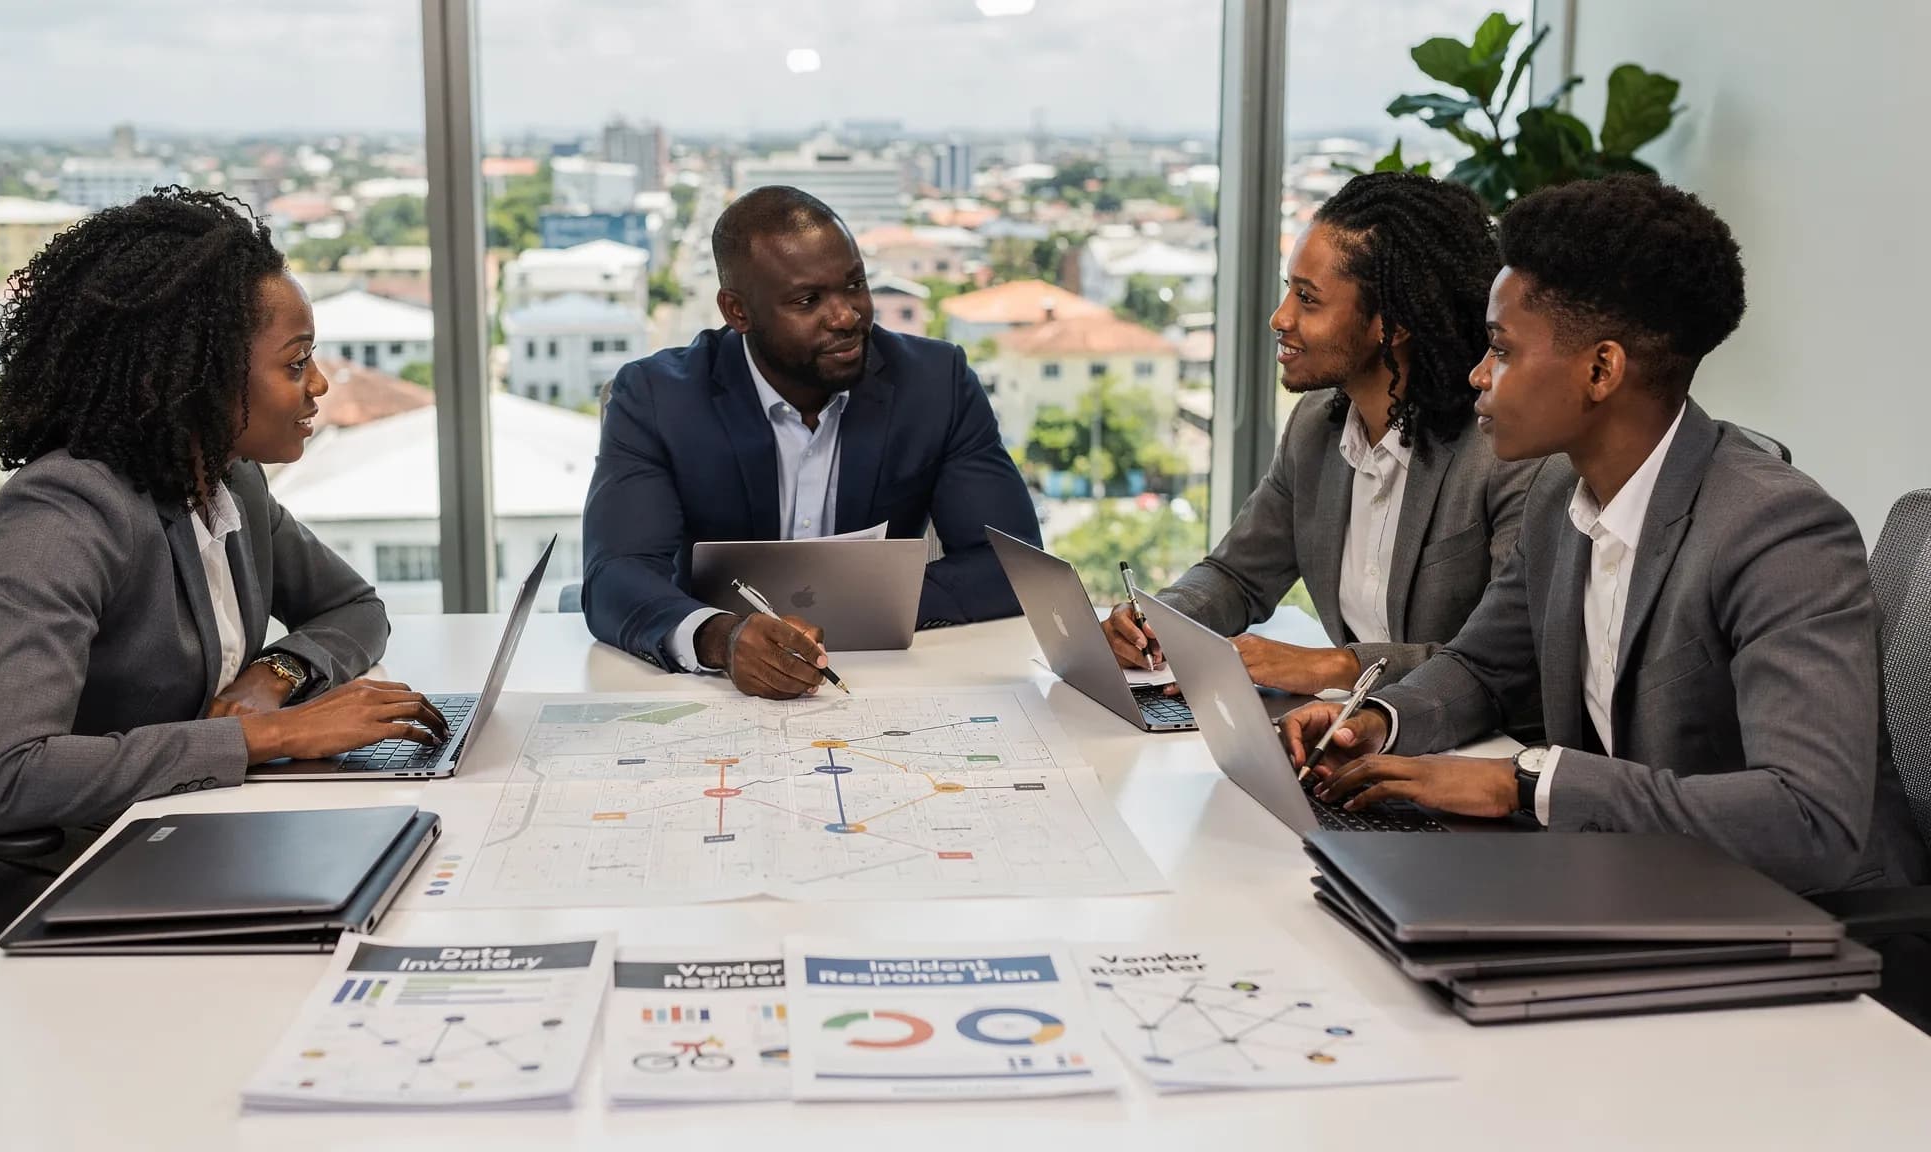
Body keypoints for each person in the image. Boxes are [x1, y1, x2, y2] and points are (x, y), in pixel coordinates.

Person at [0, 188, 449, 1022]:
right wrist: (271, 734)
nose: (320, 384)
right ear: (200, 375)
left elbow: (353, 608)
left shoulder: (225, 481)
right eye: (294, 364)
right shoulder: (63, 514)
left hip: (163, 855)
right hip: (23, 902)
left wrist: (278, 673)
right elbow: (8, 776)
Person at [1285, 174, 1929, 895]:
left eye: (1500, 350)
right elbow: (1485, 669)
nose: (1477, 374)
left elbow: (1808, 820)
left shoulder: (1781, 534)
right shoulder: (1562, 492)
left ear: (1601, 370)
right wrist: (1375, 722)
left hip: (1813, 927)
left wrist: (1525, 785)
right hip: (1637, 884)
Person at [581, 186, 1040, 698]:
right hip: (710, 693)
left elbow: (1011, 564)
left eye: (854, 285)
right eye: (808, 300)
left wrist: (848, 613)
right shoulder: (656, 397)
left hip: (885, 686)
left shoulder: (936, 383)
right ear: (737, 312)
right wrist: (722, 637)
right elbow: (615, 576)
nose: (846, 316)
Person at [1105, 172, 1548, 698]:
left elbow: (1504, 661)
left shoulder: (1505, 454)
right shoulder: (1317, 426)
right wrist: (1159, 620)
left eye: (1308, 300)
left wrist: (1334, 667)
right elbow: (1238, 576)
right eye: (1288, 290)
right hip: (1345, 737)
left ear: (1393, 324)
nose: (1280, 317)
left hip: (1469, 752)